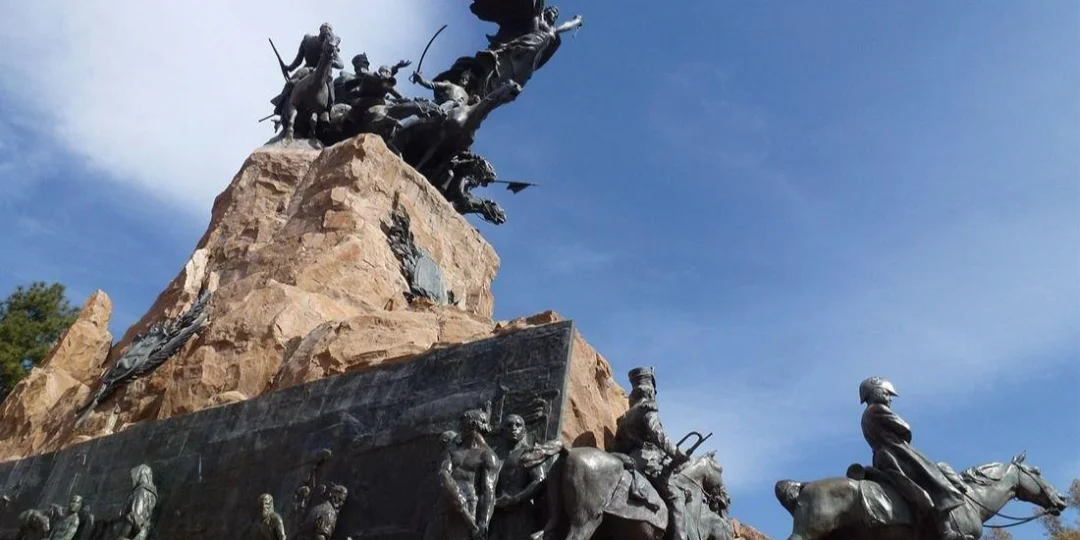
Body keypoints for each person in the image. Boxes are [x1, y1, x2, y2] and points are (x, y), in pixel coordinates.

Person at [860, 377, 969, 540]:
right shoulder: (878, 409)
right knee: (933, 479)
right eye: (887, 394)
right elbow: (905, 428)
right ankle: (945, 531)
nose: (890, 399)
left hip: (882, 457)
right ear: (876, 392)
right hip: (898, 453)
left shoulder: (866, 415)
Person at [611, 367, 690, 540]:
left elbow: (615, 446)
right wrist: (677, 453)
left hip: (631, 460)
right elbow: (658, 435)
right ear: (650, 391)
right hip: (648, 461)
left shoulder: (625, 418)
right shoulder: (647, 408)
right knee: (676, 497)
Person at [270, 23, 344, 117]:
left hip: (325, 73)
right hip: (308, 69)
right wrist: (289, 68)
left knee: (331, 95)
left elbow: (341, 64)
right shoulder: (308, 40)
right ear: (320, 28)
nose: (327, 29)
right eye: (325, 27)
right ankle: (281, 103)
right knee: (291, 82)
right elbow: (299, 59)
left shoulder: (330, 46)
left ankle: (328, 114)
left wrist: (328, 61)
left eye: (329, 28)